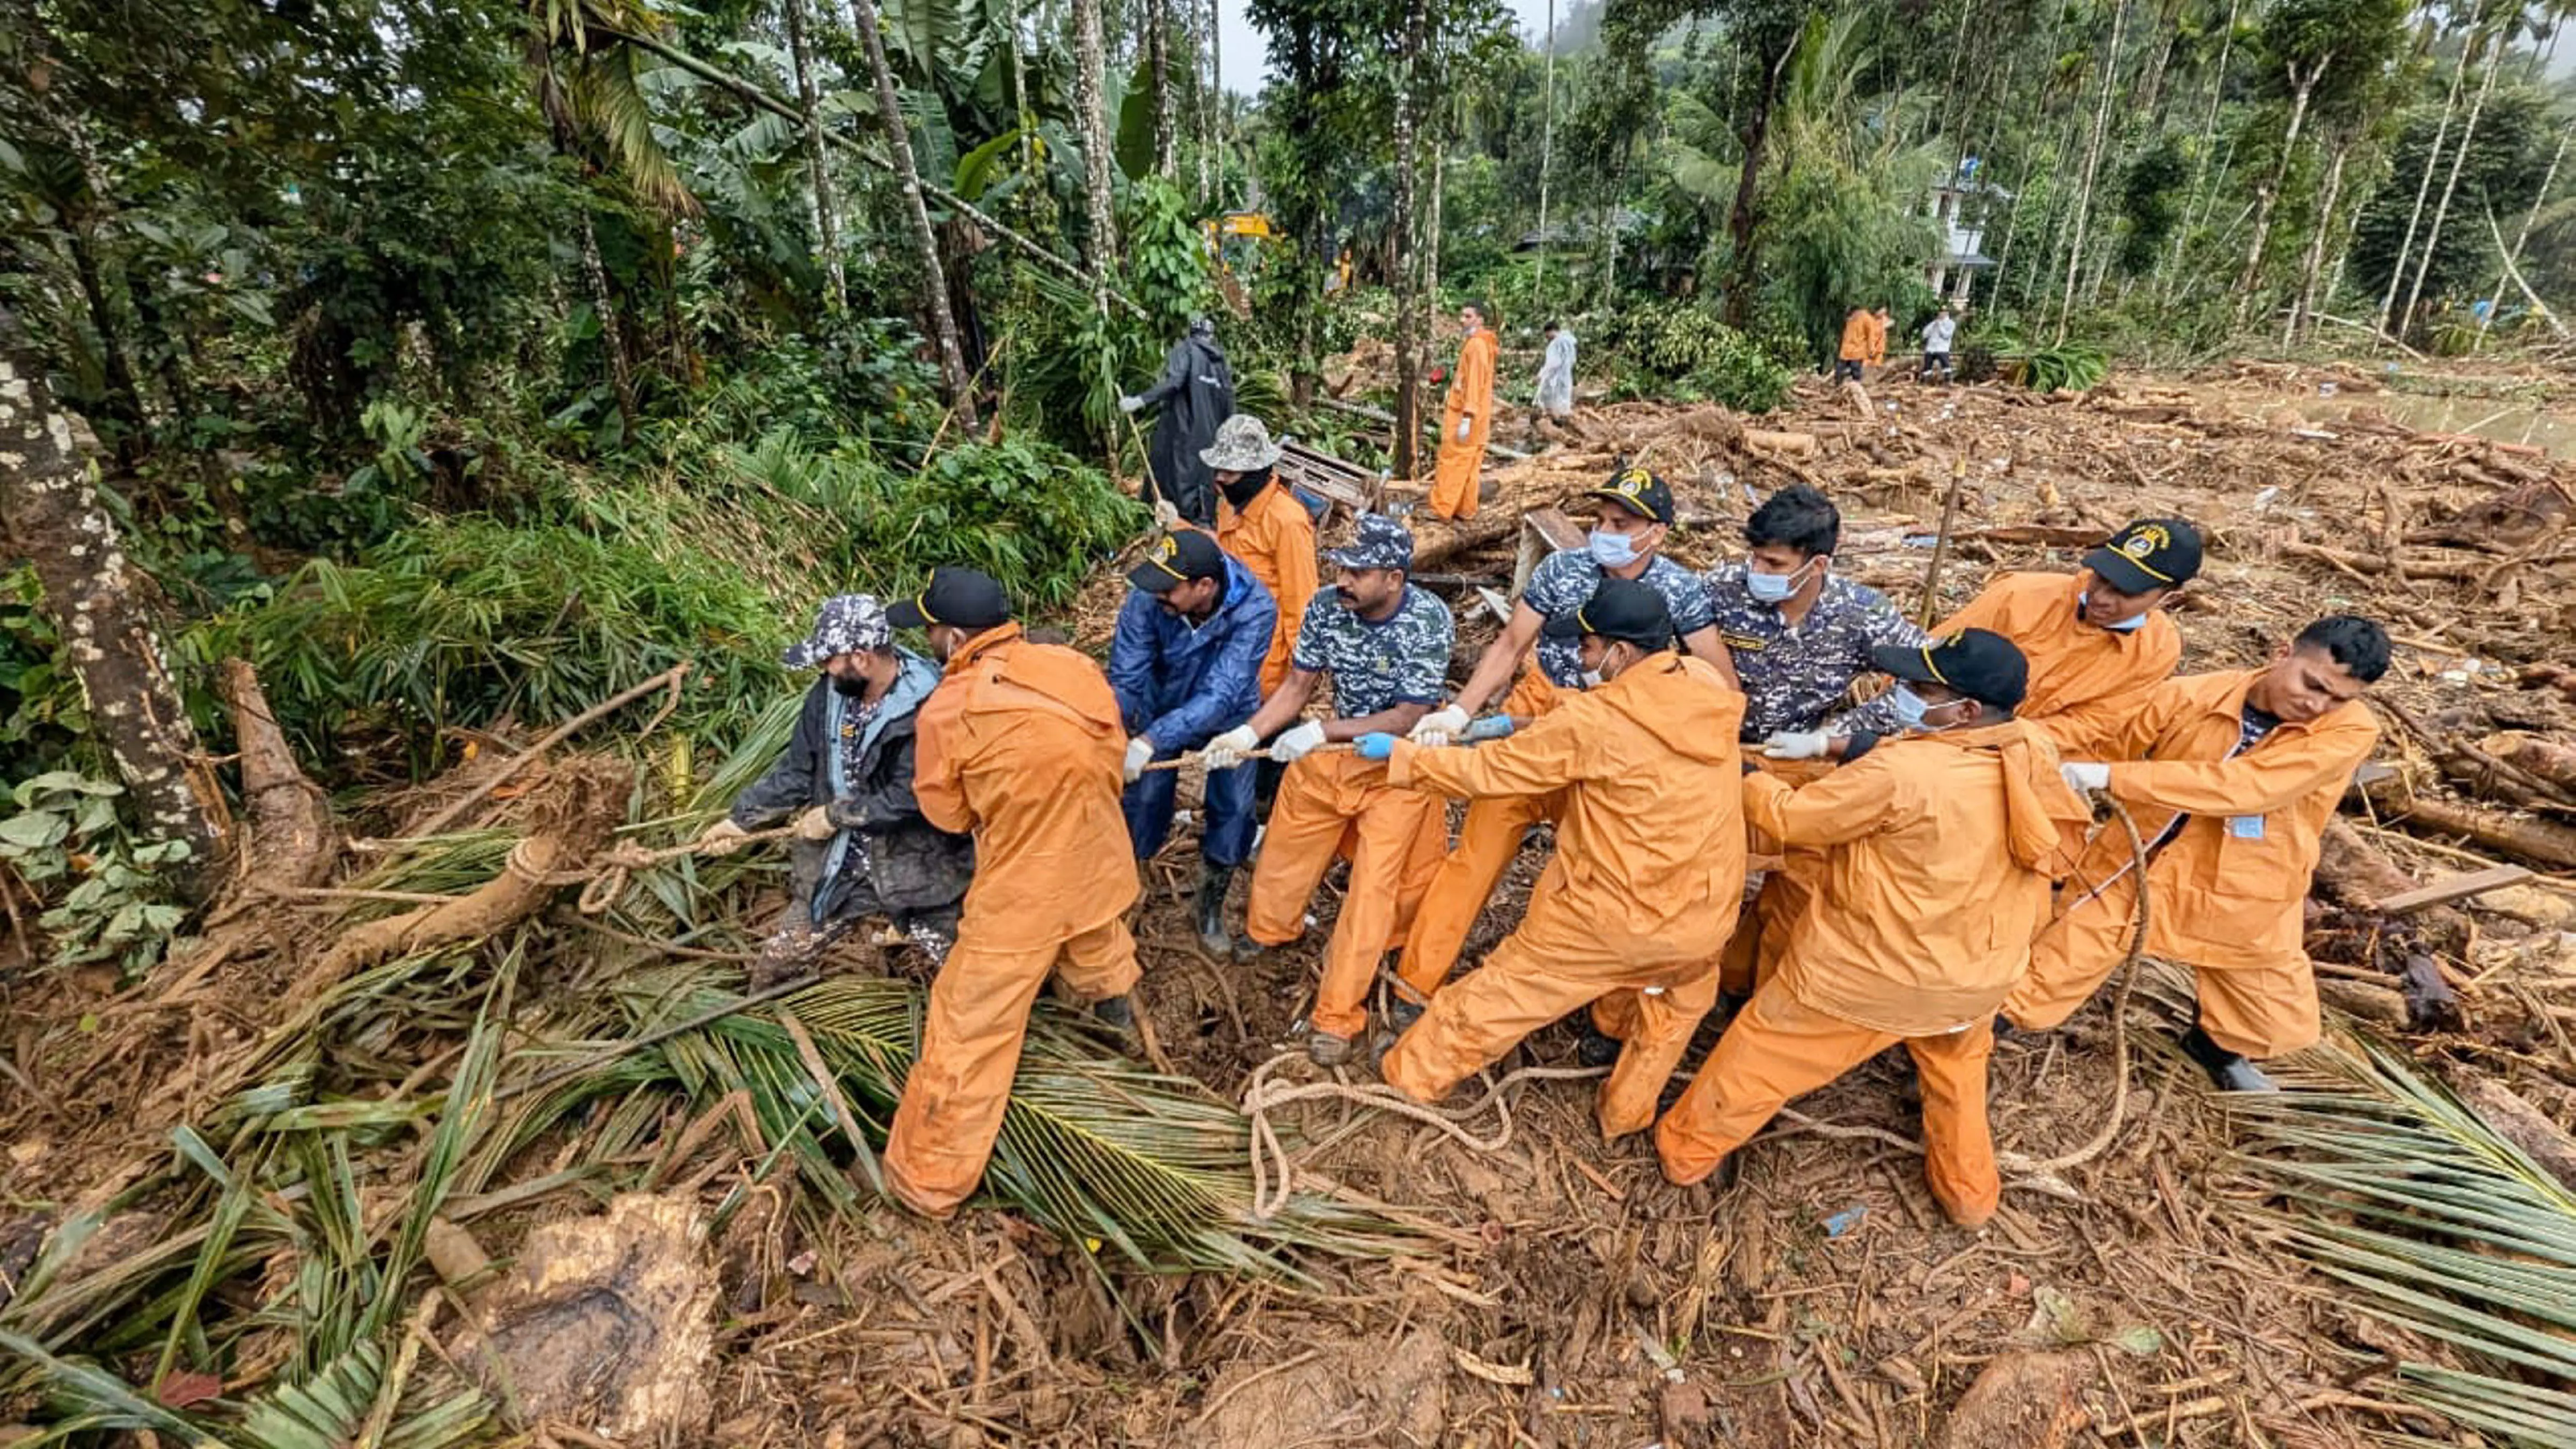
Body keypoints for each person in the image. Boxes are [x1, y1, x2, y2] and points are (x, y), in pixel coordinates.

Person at [1655, 631, 2090, 1226]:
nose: (1903, 693)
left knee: (1761, 1054)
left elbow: (1793, 821)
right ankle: (1969, 1198)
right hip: (1978, 978)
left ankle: (1685, 1151)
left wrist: (1749, 775)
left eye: (1919, 687)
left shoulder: (1904, 772)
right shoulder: (2030, 747)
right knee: (1958, 1076)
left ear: (1964, 710)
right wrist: (1837, 746)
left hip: (1870, 978)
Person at [1367, 580, 1747, 1138]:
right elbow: (1633, 713)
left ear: (1619, 652)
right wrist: (1538, 718)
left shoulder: (1594, 725)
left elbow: (1489, 774)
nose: (1582, 660)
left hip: (1614, 921)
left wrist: (1406, 757)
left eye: (1589, 650)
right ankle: (1623, 1118)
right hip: (1704, 920)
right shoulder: (1705, 685)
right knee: (1667, 1013)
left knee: (1502, 993)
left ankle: (1409, 1078)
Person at [1394, 467, 1738, 1023]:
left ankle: (1555, 992)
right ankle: (1417, 983)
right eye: (1599, 520)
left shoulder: (1678, 590)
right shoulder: (1563, 570)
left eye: (1620, 523)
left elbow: (1719, 681)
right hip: (1543, 708)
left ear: (1658, 533)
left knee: (1582, 874)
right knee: (1477, 855)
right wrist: (1461, 712)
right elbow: (1511, 644)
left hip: (1619, 739)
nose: (1605, 531)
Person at [2003, 616, 2392, 1093]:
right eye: (2313, 684)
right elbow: (2110, 732)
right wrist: (2024, 744)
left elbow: (2254, 787)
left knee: (2267, 1007)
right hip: (2144, 866)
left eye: (2337, 698)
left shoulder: (2350, 732)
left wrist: (2114, 777)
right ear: (2283, 653)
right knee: (2053, 968)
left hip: (2255, 885)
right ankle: (1961, 1051)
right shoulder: (2195, 696)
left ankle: (2214, 1049)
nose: (2316, 704)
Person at [882, 568, 1145, 1218]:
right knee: (1096, 938)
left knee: (968, 1027)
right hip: (1103, 858)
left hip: (1026, 888)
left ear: (956, 637)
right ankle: (1119, 1025)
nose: (929, 642)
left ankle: (928, 1183)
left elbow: (947, 814)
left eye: (932, 631)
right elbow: (1111, 754)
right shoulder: (1073, 665)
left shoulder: (949, 709)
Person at [1203, 514, 1455, 1065]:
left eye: (1357, 571)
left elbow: (1411, 714)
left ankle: (1338, 1015)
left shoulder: (1429, 621)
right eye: (1341, 566)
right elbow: (1298, 685)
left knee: (1374, 890)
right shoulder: (1326, 607)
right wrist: (1249, 732)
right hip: (1336, 753)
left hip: (1400, 766)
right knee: (1288, 842)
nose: (1343, 579)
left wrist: (1322, 730)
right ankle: (1269, 929)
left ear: (1393, 578)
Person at [1706, 484, 1928, 993]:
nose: (1757, 573)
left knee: (1795, 893)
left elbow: (1933, 678)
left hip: (1806, 764)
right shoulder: (1721, 589)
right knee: (1704, 879)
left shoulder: (1860, 612)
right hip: (1722, 756)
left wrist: (1838, 736)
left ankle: (1751, 996)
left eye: (1775, 564)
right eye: (1755, 559)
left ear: (1819, 565)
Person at [700, 594, 972, 986]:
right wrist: (742, 821)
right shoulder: (830, 697)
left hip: (921, 869)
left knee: (965, 983)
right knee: (777, 967)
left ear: (862, 658)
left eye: (831, 660)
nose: (825, 670)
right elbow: (798, 770)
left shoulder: (933, 705)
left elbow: (913, 795)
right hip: (840, 869)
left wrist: (833, 816)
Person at [1781, 517, 2200, 764]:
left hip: (2023, 756)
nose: (2102, 598)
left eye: (2124, 594)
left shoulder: (2158, 650)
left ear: (2169, 598)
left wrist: (1990, 746)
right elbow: (1931, 661)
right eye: (2100, 579)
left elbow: (2093, 725)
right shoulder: (2021, 595)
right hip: (1929, 727)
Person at [1108, 529, 1276, 956]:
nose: (1157, 595)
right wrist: (1113, 729)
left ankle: (1210, 903)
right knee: (1143, 801)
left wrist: (1150, 740)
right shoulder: (1148, 599)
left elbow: (1223, 692)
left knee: (1235, 809)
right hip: (1158, 707)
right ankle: (1127, 890)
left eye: (1168, 588)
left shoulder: (1255, 609)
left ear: (1204, 587)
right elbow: (1127, 676)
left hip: (1229, 720)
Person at [1204, 414, 1317, 699]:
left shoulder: (1287, 520)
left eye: (1229, 473)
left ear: (1255, 471)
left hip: (1268, 662)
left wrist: (1300, 676)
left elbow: (1301, 601)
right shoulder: (1228, 506)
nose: (1220, 480)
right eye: (1219, 471)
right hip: (1226, 648)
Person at [1120, 317, 1235, 526]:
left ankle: (1167, 526)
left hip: (1182, 433)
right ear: (1211, 336)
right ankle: (1201, 525)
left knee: (1173, 478)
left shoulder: (1187, 350)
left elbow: (1174, 382)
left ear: (1191, 333)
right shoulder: (1220, 363)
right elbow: (1229, 405)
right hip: (1210, 438)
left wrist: (1140, 400)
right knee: (1202, 481)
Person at [1430, 302, 1499, 520]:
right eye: (1462, 316)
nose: (1462, 320)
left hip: (1465, 415)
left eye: (1468, 316)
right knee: (1470, 464)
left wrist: (1467, 417)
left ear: (1480, 320)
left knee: (1454, 461)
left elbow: (1474, 383)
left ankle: (1443, 508)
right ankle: (1465, 509)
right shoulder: (1478, 344)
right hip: (1474, 415)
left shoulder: (1477, 346)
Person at [1535, 323, 1577, 420]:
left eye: (1547, 334)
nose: (1546, 337)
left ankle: (1555, 419)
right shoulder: (1569, 341)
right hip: (1566, 375)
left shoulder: (1555, 344)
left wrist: (1541, 375)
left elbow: (1553, 363)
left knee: (1549, 397)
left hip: (1554, 377)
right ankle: (1563, 418)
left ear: (1551, 331)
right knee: (1564, 398)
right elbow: (1573, 360)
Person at [1835, 306, 1872, 383]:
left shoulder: (1866, 318)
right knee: (1839, 370)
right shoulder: (1850, 320)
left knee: (1855, 369)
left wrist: (1871, 349)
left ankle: (1856, 386)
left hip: (1858, 350)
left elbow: (1871, 335)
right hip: (1846, 351)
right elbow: (1846, 336)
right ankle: (1838, 386)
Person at [1920, 305, 1957, 382]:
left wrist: (1940, 326)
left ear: (1947, 313)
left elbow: (1947, 335)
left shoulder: (1951, 324)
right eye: (1941, 312)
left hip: (1942, 348)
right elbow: (1925, 334)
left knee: (1946, 367)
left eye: (1944, 312)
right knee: (1927, 367)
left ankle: (1948, 382)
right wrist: (1933, 326)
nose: (1942, 314)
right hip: (1931, 348)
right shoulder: (1934, 323)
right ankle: (1927, 383)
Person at [1869, 305, 1892, 369]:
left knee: (1877, 364)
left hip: (1880, 347)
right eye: (1881, 311)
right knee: (1867, 365)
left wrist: (1887, 325)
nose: (1883, 313)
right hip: (1871, 347)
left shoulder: (1884, 319)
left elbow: (1891, 322)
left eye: (1884, 311)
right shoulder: (1871, 320)